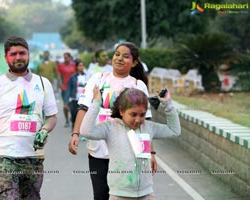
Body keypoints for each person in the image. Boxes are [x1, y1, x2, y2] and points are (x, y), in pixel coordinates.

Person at [68, 42, 156, 200]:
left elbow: (145, 122)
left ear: (134, 62)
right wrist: (75, 133)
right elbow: (83, 107)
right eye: (117, 54)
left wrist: (150, 152)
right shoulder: (98, 79)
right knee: (100, 195)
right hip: (98, 151)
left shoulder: (138, 85)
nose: (119, 58)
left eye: (125, 56)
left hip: (127, 153)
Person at [0, 36, 58, 199]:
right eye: (13, 54)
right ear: (6, 58)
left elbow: (52, 117)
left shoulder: (43, 83)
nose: (18, 57)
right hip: (5, 156)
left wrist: (44, 130)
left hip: (34, 158)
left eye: (22, 53)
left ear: (28, 55)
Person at [80, 87, 181, 200]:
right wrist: (96, 102)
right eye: (133, 114)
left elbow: (174, 131)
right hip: (119, 194)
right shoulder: (110, 127)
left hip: (146, 193)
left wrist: (168, 103)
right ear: (122, 111)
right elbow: (85, 131)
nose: (138, 120)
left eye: (142, 115)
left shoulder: (148, 127)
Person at [64, 59, 87, 129]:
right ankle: (74, 126)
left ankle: (81, 130)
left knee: (83, 115)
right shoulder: (73, 77)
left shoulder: (86, 76)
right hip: (74, 99)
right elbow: (68, 89)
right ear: (76, 67)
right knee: (74, 114)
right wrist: (66, 101)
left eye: (82, 66)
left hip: (84, 99)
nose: (81, 67)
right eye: (80, 66)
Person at [57, 52, 76, 127]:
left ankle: (72, 118)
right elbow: (59, 76)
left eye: (67, 57)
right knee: (65, 106)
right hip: (65, 87)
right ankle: (67, 120)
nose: (66, 59)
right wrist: (60, 84)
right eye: (64, 57)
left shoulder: (74, 65)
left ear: (70, 57)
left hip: (73, 88)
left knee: (73, 105)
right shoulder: (60, 65)